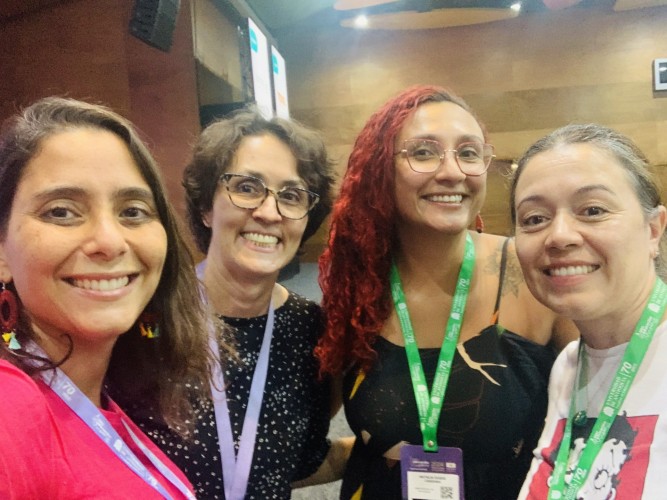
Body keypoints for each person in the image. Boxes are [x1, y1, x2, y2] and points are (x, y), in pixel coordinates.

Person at [315, 85, 578, 500]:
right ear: (381, 170)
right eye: (423, 152)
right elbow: (308, 435)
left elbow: (615, 417)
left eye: (469, 153)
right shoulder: (357, 290)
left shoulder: (535, 274)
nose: (453, 171)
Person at [0, 97, 212, 498]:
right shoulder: (9, 405)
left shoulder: (101, 400)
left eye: (133, 211)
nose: (110, 242)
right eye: (61, 212)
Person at [127, 107, 338, 499]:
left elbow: (297, 462)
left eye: (291, 196)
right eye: (246, 188)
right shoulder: (146, 316)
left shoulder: (310, 330)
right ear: (207, 207)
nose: (269, 212)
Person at [511, 124, 667, 499]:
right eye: (534, 218)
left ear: (653, 230)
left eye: (592, 210)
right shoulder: (568, 367)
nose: (559, 235)